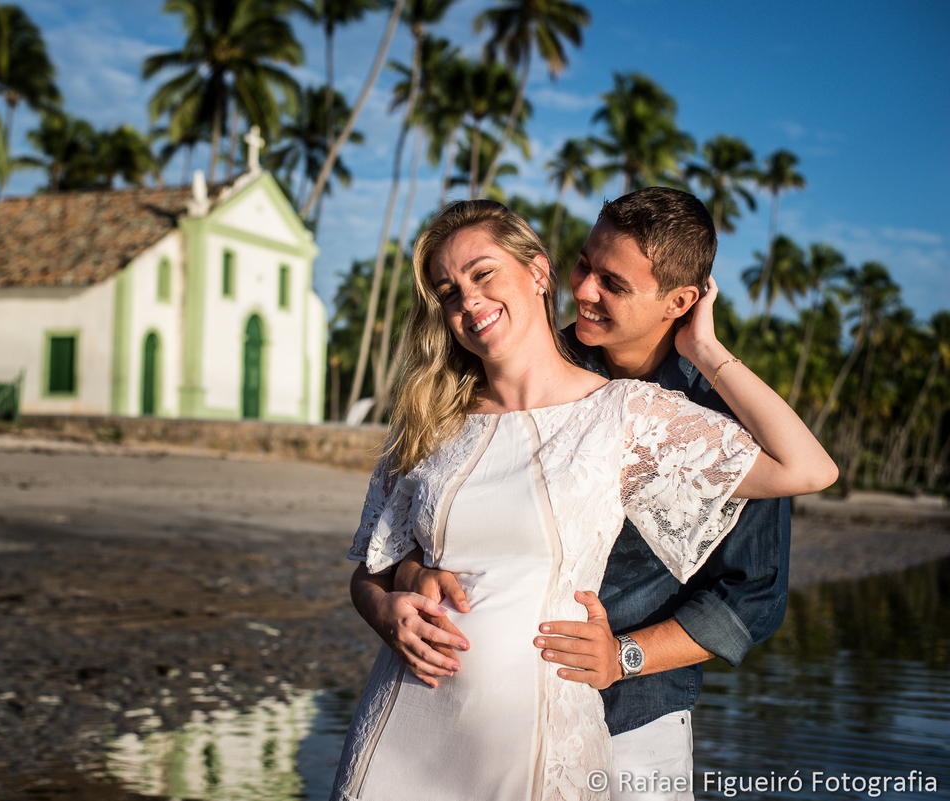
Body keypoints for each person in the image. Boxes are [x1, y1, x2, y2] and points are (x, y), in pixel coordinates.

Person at [331, 198, 836, 801]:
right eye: (583, 265)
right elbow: (397, 551)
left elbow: (753, 592)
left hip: (635, 709)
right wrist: (410, 579)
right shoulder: (491, 372)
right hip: (422, 720)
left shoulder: (703, 416)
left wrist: (624, 655)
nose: (585, 291)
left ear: (679, 303)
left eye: (614, 284)